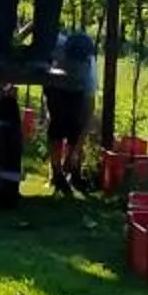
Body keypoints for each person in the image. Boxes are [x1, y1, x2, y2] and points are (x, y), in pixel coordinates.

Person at [42, 27, 98, 195]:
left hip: (77, 90)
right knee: (57, 126)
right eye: (71, 63)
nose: (74, 67)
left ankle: (73, 169)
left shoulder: (89, 75)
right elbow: (35, 25)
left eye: (78, 65)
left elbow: (88, 115)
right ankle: (56, 173)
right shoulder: (56, 43)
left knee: (76, 126)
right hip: (54, 82)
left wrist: (74, 151)